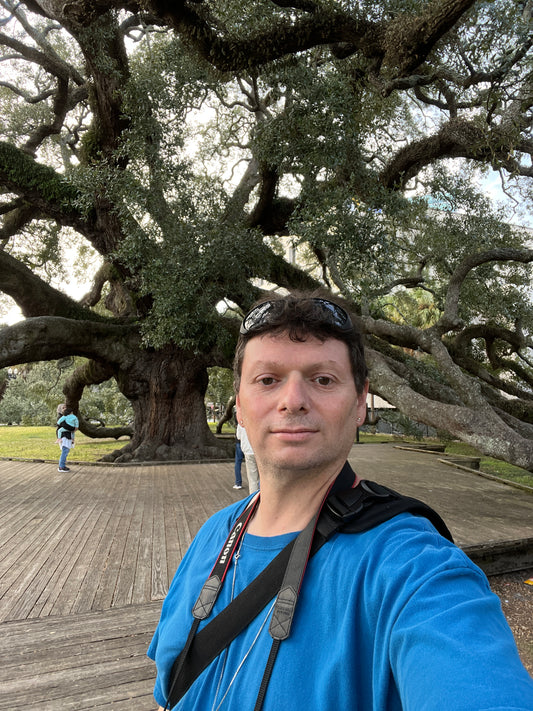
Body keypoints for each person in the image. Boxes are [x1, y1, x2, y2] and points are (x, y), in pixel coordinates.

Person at [148, 292, 533, 710]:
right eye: (267, 379)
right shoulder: (212, 536)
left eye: (323, 379)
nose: (293, 400)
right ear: (239, 406)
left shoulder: (411, 567)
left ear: (359, 404)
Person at [236, 422, 259, 493]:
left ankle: (254, 498)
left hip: (248, 451)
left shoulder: (241, 422)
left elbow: (238, 436)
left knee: (252, 478)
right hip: (259, 451)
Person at [56, 406, 79, 473]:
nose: (64, 409)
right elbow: (73, 428)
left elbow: (60, 424)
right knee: (65, 451)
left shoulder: (64, 417)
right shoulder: (64, 417)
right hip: (65, 436)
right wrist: (74, 428)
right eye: (63, 408)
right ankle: (61, 466)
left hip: (67, 435)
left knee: (65, 451)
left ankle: (62, 465)